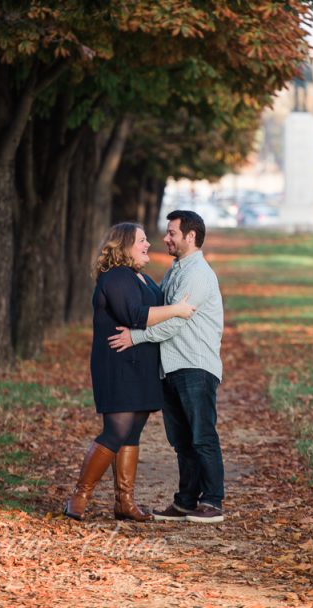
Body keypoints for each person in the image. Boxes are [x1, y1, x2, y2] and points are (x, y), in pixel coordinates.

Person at [63, 222, 195, 522]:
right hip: (118, 364)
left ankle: (124, 502)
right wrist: (176, 310)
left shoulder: (142, 278)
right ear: (124, 245)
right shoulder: (117, 277)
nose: (148, 244)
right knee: (115, 432)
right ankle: (79, 497)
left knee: (132, 434)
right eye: (141, 240)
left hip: (142, 364)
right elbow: (134, 316)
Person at [109, 210, 225, 524]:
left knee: (202, 436)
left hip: (195, 365)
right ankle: (186, 501)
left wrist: (134, 337)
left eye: (172, 232)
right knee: (181, 441)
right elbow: (160, 309)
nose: (166, 238)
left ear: (190, 236)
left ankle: (212, 502)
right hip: (172, 366)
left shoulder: (197, 274)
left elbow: (172, 320)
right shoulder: (177, 269)